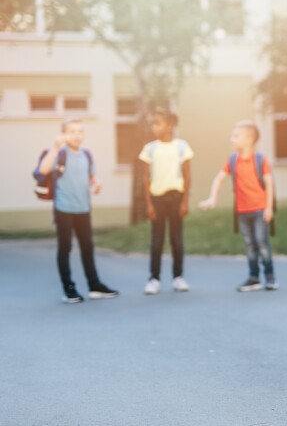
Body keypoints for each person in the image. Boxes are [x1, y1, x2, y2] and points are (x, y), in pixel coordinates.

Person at [37, 118, 119, 303]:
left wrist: (96, 185)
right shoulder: (59, 153)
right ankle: (69, 289)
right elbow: (43, 170)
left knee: (87, 247)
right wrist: (56, 147)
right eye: (72, 131)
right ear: (63, 134)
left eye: (80, 131)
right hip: (63, 209)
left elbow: (92, 178)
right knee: (65, 248)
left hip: (83, 208)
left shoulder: (87, 155)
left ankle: (94, 286)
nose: (76, 135)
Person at [198, 121, 278, 292]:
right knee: (249, 244)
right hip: (242, 211)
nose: (231, 139)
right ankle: (254, 278)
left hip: (260, 209)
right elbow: (219, 178)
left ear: (249, 140)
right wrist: (212, 198)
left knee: (261, 242)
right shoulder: (232, 160)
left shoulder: (260, 159)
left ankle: (270, 277)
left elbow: (269, 183)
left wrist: (269, 207)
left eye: (236, 136)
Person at [139, 108, 194, 295]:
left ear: (169, 125)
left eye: (158, 123)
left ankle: (178, 277)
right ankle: (154, 279)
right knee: (157, 240)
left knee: (176, 239)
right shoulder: (150, 149)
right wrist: (149, 204)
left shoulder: (181, 147)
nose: (154, 127)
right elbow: (145, 179)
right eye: (153, 123)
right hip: (157, 199)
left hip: (176, 198)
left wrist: (185, 201)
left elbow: (187, 176)